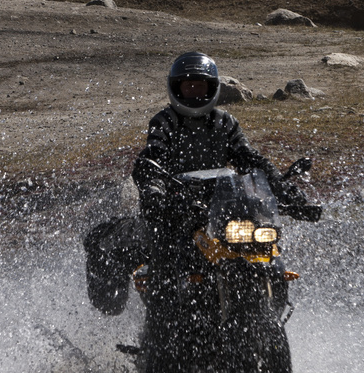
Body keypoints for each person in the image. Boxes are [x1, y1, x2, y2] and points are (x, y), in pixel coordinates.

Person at [84, 52, 311, 315]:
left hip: (223, 209)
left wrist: (286, 191)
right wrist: (154, 194)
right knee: (165, 258)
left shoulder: (224, 122)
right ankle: (164, 330)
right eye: (187, 85)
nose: (193, 91)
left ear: (212, 88)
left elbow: (251, 159)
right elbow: (151, 162)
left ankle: (268, 302)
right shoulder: (165, 121)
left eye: (199, 85)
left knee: (263, 242)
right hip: (175, 209)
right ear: (176, 88)